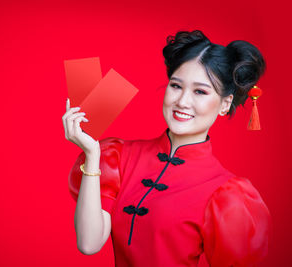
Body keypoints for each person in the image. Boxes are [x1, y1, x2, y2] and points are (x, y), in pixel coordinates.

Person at [62, 30, 272, 267]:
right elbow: (89, 244)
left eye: (200, 91)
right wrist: (91, 154)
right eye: (176, 86)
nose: (182, 101)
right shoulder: (120, 156)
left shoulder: (227, 194)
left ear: (225, 104)